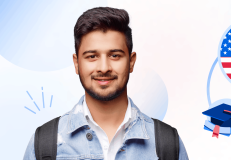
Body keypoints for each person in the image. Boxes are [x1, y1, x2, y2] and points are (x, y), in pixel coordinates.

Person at [23, 7, 188, 160]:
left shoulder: (167, 144)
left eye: (115, 55)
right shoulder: (44, 144)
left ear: (131, 62)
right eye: (92, 56)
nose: (103, 68)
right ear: (76, 63)